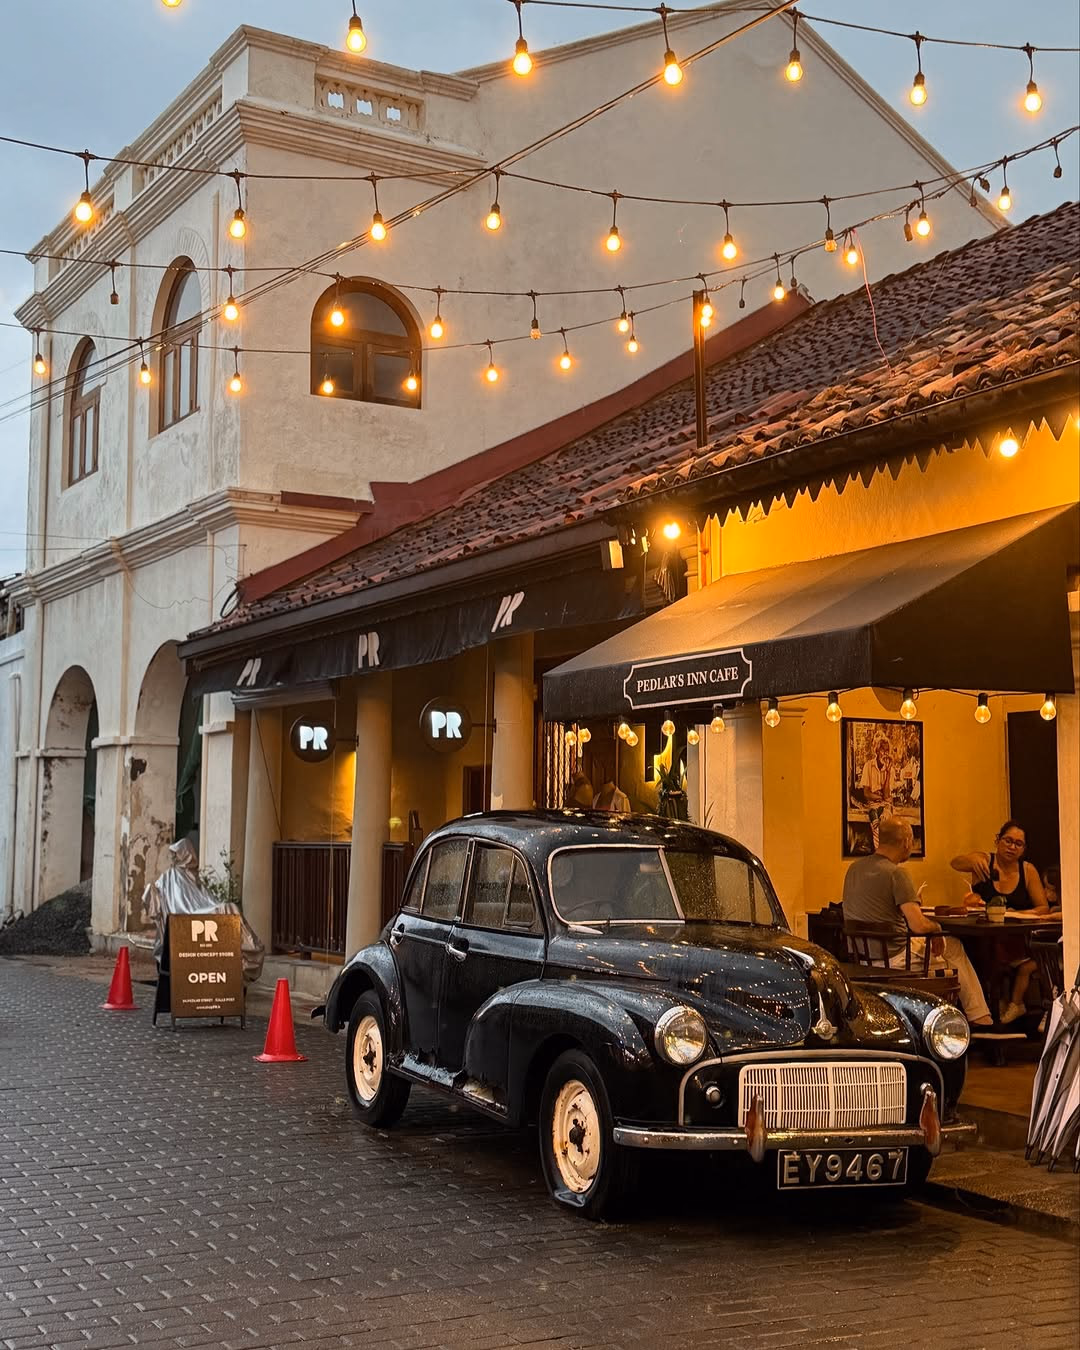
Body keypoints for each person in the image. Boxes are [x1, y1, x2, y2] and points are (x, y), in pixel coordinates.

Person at [843, 817, 992, 1027]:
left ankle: (964, 1017)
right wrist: (936, 927)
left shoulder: (854, 869)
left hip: (862, 957)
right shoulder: (897, 873)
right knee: (954, 947)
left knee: (946, 951)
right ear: (906, 842)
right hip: (894, 957)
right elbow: (918, 926)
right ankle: (978, 1018)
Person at [950, 821, 1050, 1023]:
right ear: (998, 841)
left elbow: (1043, 907)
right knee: (968, 946)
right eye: (1008, 841)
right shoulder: (985, 862)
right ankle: (982, 1009)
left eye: (1018, 844)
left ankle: (994, 1007)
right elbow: (955, 863)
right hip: (980, 935)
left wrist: (1017, 913)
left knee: (995, 949)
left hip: (1015, 936)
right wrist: (973, 859)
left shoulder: (1027, 870)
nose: (1012, 847)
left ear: (1024, 849)